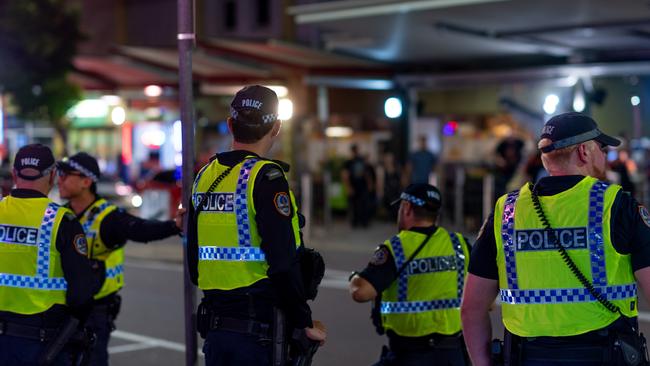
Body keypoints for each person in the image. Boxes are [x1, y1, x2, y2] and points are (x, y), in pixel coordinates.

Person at [461, 112, 650, 366]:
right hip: (604, 354)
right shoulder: (617, 205)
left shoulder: (506, 212)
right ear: (584, 151)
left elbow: (472, 308)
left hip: (526, 356)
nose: (605, 156)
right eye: (601, 148)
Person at [187, 85, 326, 365]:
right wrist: (304, 321)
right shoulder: (266, 178)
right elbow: (283, 262)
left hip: (217, 333)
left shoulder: (204, 177)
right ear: (276, 128)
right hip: (258, 333)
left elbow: (193, 262)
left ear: (230, 124)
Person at [56, 152, 184, 366]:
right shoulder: (60, 215)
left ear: (86, 181)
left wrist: (174, 226)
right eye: (59, 173)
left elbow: (141, 229)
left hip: (95, 312)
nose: (59, 179)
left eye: (66, 174)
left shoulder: (109, 218)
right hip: (62, 306)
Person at [0, 144, 103, 365]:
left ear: (15, 173)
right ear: (54, 175)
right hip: (44, 344)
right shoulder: (60, 222)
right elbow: (81, 295)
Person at [349, 183, 471, 366]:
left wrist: (353, 279)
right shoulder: (460, 244)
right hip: (453, 355)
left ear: (406, 208)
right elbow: (487, 303)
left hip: (410, 355)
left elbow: (361, 292)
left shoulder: (397, 248)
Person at [342, 144, 372, 228]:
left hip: (362, 186)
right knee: (354, 206)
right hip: (353, 186)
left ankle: (364, 222)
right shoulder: (348, 162)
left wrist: (369, 184)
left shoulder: (362, 160)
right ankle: (355, 222)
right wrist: (348, 187)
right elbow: (345, 175)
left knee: (364, 205)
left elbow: (367, 174)